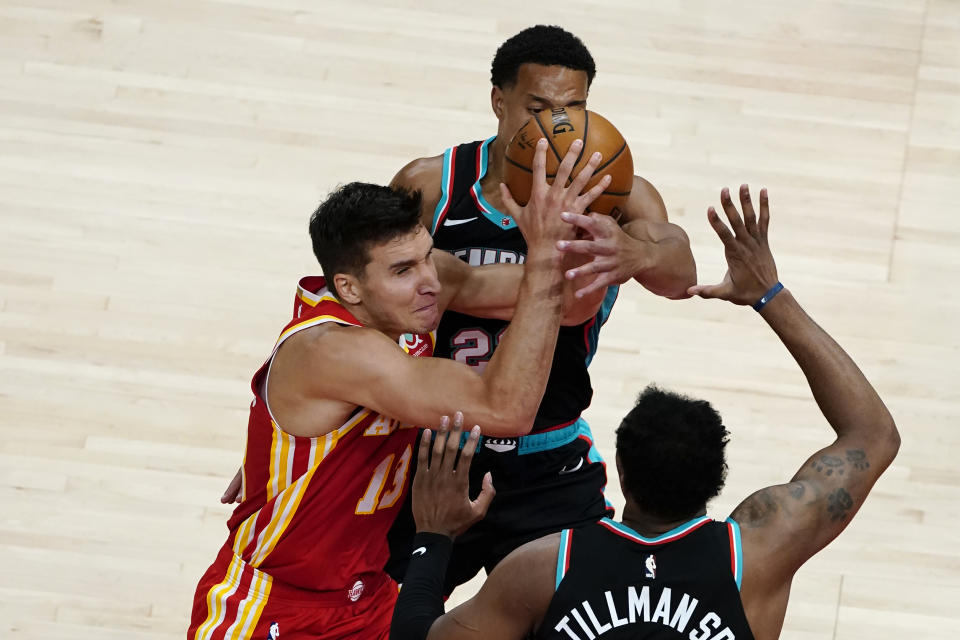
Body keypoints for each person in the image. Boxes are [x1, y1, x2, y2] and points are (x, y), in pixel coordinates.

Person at [389, 185, 901, 640]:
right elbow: (873, 435)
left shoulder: (546, 567)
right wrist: (769, 294)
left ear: (621, 474)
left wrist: (433, 536)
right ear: (717, 479)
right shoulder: (758, 556)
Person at [189, 141, 611, 640]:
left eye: (426, 257)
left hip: (368, 597)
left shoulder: (415, 296)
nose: (430, 281)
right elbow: (506, 409)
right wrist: (541, 254)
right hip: (277, 605)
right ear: (349, 289)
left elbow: (570, 305)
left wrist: (612, 247)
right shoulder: (335, 351)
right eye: (403, 271)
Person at [385, 23, 699, 595]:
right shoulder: (433, 185)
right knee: (380, 618)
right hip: (438, 453)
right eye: (537, 106)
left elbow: (682, 274)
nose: (556, 124)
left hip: (548, 460)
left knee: (583, 619)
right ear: (499, 102)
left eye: (573, 107)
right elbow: (364, 304)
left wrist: (633, 250)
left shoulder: (615, 192)